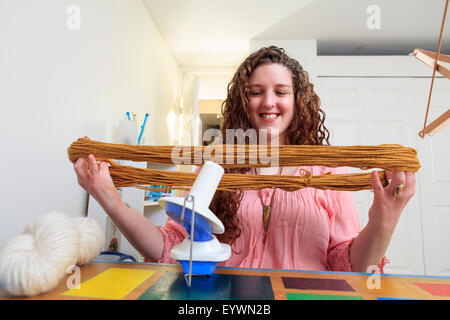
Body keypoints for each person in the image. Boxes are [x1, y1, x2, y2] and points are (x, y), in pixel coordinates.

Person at [73, 46, 416, 273]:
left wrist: (384, 219)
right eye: (256, 91)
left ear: (298, 101)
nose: (269, 102)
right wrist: (109, 198)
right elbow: (172, 246)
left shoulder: (329, 172)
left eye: (281, 91)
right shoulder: (212, 168)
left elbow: (349, 266)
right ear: (243, 100)